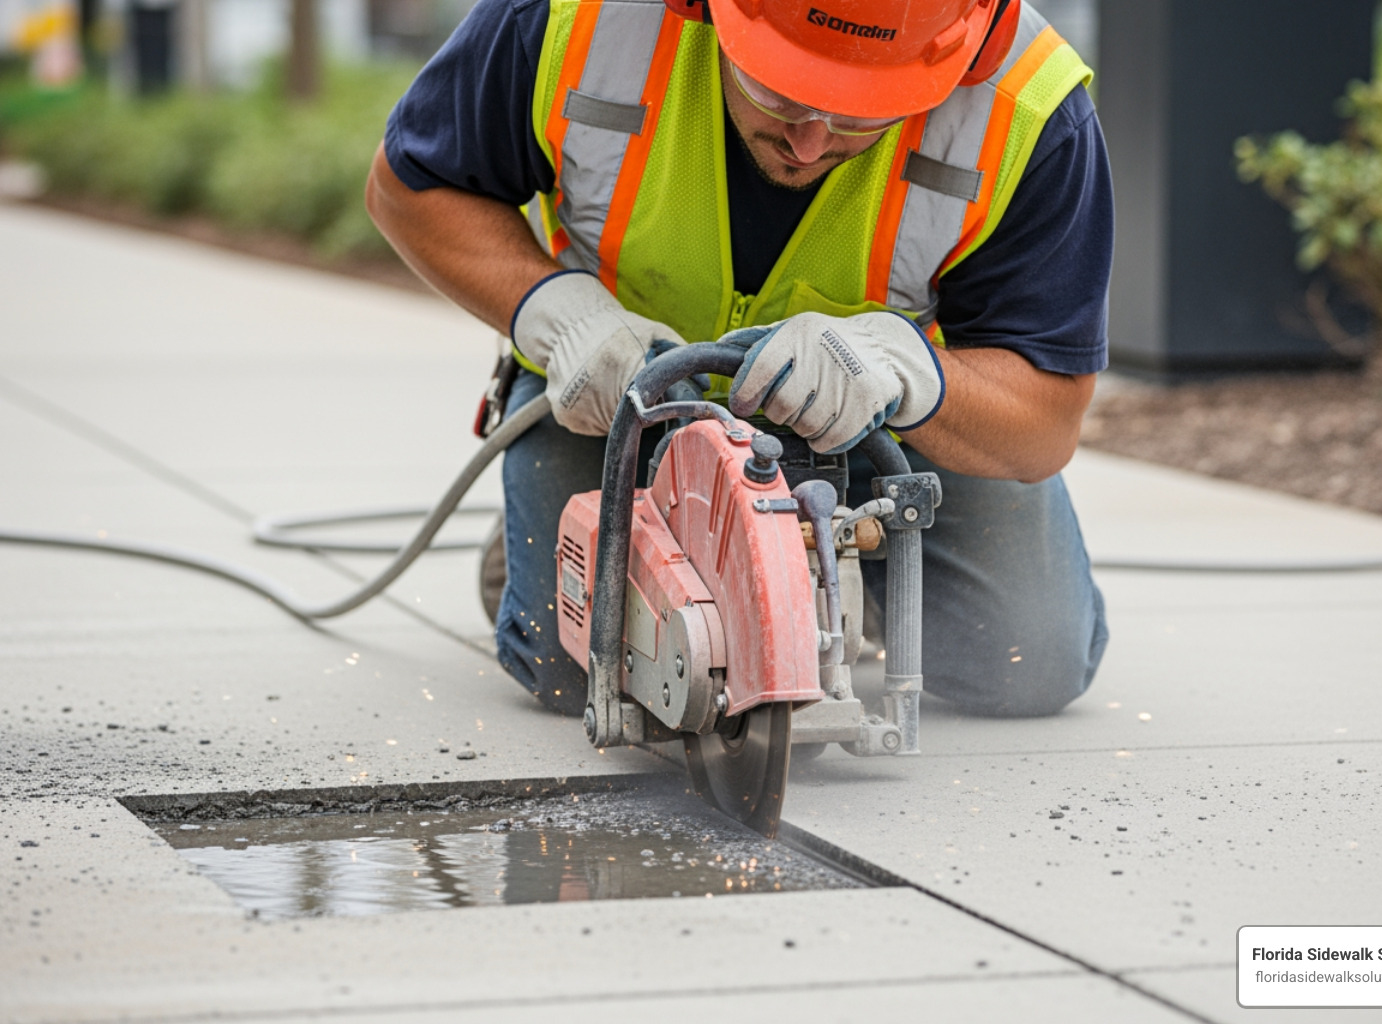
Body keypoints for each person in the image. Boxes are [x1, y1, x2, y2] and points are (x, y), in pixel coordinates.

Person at [366, 0, 1112, 720]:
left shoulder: (1028, 106)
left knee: (1027, 660)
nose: (812, 141)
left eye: (862, 112)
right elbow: (410, 186)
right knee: (582, 665)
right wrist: (560, 317)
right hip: (616, 386)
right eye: (780, 94)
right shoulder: (576, 14)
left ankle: (826, 563)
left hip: (877, 408)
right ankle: (570, 517)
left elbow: (1044, 422)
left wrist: (912, 372)